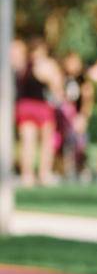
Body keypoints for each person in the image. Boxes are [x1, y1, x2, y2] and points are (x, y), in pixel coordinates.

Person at [14, 38, 64, 185]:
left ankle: (27, 176)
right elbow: (57, 88)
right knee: (45, 143)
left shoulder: (24, 65)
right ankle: (44, 174)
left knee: (27, 143)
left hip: (24, 106)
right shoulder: (48, 65)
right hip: (41, 107)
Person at [58, 52, 95, 180]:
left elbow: (88, 99)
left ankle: (82, 168)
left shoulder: (82, 80)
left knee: (80, 144)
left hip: (78, 117)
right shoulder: (63, 78)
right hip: (65, 117)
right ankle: (67, 170)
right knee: (66, 144)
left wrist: (83, 116)